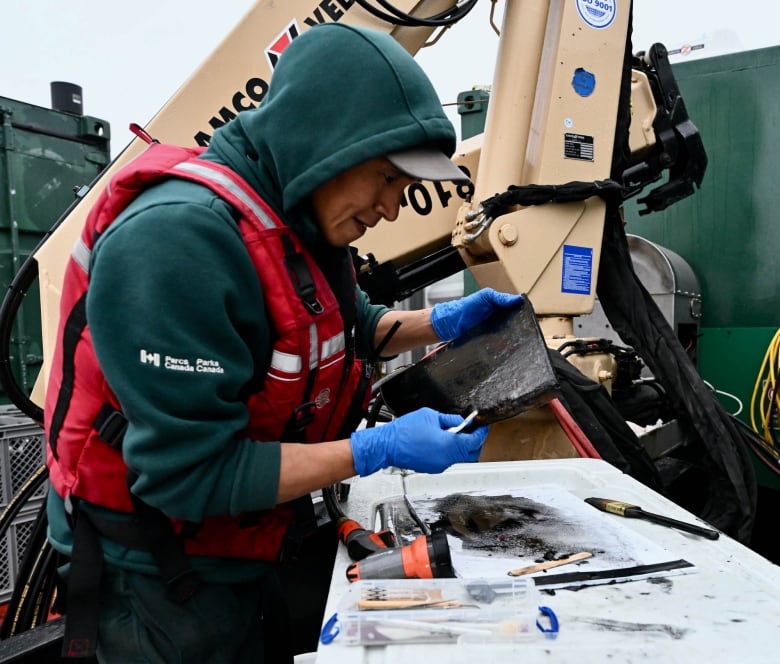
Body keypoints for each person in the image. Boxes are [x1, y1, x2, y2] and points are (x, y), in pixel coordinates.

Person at [44, 22, 523, 663]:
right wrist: (375, 448)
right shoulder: (177, 242)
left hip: (244, 548)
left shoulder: (300, 225)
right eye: (387, 178)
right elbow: (191, 475)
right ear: (326, 142)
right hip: (156, 578)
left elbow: (353, 325)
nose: (393, 208)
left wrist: (445, 323)